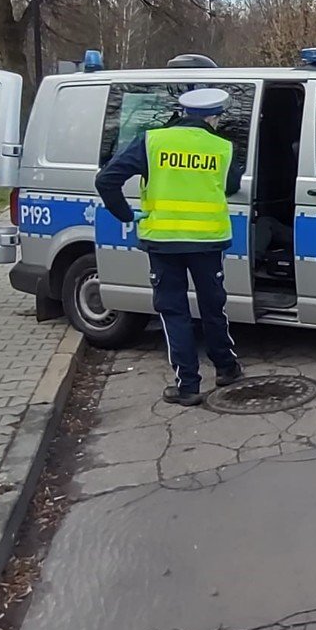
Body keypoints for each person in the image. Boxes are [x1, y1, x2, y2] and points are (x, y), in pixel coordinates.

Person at [95, 88, 245, 406]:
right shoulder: (223, 147)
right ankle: (227, 368)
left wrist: (126, 214)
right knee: (213, 307)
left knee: (174, 312)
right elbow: (231, 186)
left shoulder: (152, 141)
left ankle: (188, 386)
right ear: (213, 117)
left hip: (163, 242)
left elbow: (106, 180)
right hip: (207, 242)